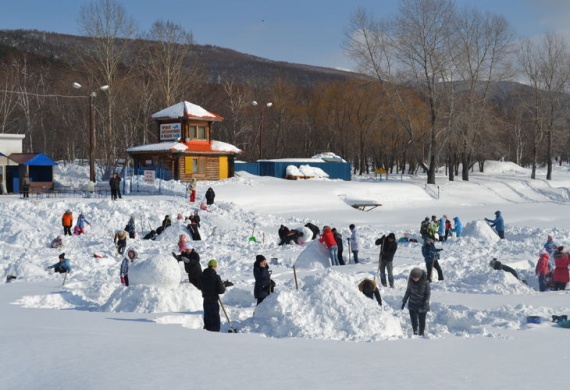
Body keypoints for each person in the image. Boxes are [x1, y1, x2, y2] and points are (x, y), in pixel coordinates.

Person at [401, 268, 431, 336]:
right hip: (412, 303)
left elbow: (427, 294)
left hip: (422, 304)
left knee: (421, 320)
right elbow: (408, 291)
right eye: (413, 278)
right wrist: (404, 301)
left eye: (416, 278)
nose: (414, 279)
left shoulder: (425, 282)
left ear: (420, 277)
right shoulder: (410, 281)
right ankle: (415, 332)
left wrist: (425, 303)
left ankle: (421, 333)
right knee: (413, 320)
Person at [200, 259, 226, 332]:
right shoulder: (216, 276)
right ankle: (215, 333)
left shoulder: (202, 276)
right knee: (215, 318)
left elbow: (201, 286)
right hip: (213, 300)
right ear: (214, 267)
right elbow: (221, 290)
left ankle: (207, 332)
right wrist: (223, 286)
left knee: (207, 317)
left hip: (205, 299)